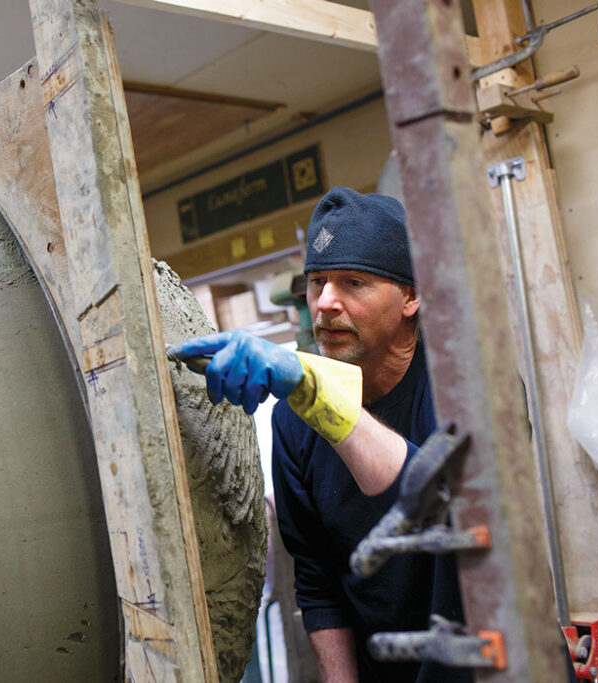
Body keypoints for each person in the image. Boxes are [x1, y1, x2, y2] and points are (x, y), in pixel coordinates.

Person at [170, 186, 470, 682]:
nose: (325, 302)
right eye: (317, 282)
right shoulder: (294, 420)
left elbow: (443, 503)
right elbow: (318, 580)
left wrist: (312, 390)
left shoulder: (469, 384)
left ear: (410, 296)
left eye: (353, 282)